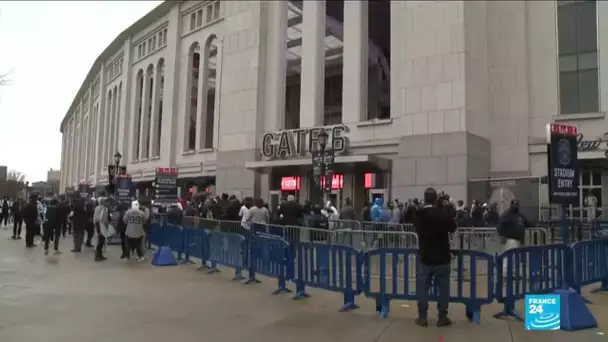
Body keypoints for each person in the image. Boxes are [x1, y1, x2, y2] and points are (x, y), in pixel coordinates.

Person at [413, 188, 457, 327]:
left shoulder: (419, 215)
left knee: (423, 288)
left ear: (425, 199)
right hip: (442, 256)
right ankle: (442, 316)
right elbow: (453, 226)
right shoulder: (442, 214)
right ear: (436, 199)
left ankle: (422, 317)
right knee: (443, 288)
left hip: (425, 256)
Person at [497, 199, 530, 275]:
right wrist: (502, 236)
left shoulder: (520, 215)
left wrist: (535, 224)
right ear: (510, 206)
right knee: (508, 257)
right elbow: (499, 227)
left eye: (516, 205)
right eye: (513, 205)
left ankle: (511, 273)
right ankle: (505, 274)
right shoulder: (506, 215)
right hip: (510, 240)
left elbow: (527, 223)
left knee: (515, 258)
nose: (515, 207)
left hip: (519, 240)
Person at [94, 197, 112, 261]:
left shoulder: (97, 208)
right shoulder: (105, 208)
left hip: (98, 225)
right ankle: (97, 255)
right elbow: (104, 219)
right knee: (101, 241)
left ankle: (99, 255)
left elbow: (96, 218)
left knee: (101, 241)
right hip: (102, 226)